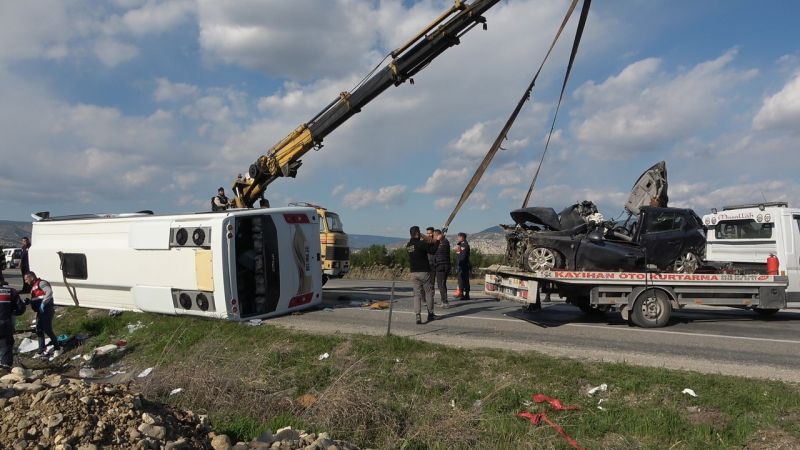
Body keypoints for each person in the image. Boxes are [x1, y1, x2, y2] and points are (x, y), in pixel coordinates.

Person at [23, 272, 62, 358]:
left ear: (32, 277)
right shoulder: (33, 288)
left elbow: (49, 292)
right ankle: (41, 350)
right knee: (39, 330)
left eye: (26, 279)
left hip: (47, 310)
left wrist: (43, 303)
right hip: (40, 312)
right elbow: (37, 298)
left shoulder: (41, 283)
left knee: (48, 329)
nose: (25, 281)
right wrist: (29, 301)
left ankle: (58, 348)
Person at [406, 226, 437, 324]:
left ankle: (418, 315)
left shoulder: (409, 245)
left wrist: (424, 238)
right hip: (424, 271)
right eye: (419, 232)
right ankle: (430, 314)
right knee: (429, 293)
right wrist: (437, 241)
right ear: (417, 233)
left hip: (413, 272)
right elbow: (433, 250)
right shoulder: (420, 244)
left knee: (417, 295)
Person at [0, 283, 26, 372]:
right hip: (4, 325)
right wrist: (11, 311)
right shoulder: (10, 291)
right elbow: (20, 308)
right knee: (5, 344)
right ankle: (5, 369)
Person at [433, 229, 451, 308]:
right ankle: (444, 300)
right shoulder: (446, 241)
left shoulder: (441, 243)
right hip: (446, 265)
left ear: (437, 235)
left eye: (434, 235)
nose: (433, 237)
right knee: (443, 284)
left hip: (441, 265)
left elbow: (436, 252)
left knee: (441, 285)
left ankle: (445, 302)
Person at [454, 232, 471, 300]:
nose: (458, 238)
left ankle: (464, 294)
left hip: (463, 265)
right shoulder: (460, 244)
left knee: (464, 279)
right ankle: (463, 294)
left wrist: (458, 251)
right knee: (461, 279)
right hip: (460, 264)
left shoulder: (465, 245)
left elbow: (463, 256)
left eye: (459, 237)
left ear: (462, 237)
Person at [425, 227, 437, 298]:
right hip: (426, 265)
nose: (428, 235)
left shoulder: (435, 242)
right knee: (425, 283)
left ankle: (431, 298)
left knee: (432, 283)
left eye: (430, 233)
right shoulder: (425, 242)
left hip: (432, 264)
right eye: (427, 233)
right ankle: (426, 298)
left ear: (433, 233)